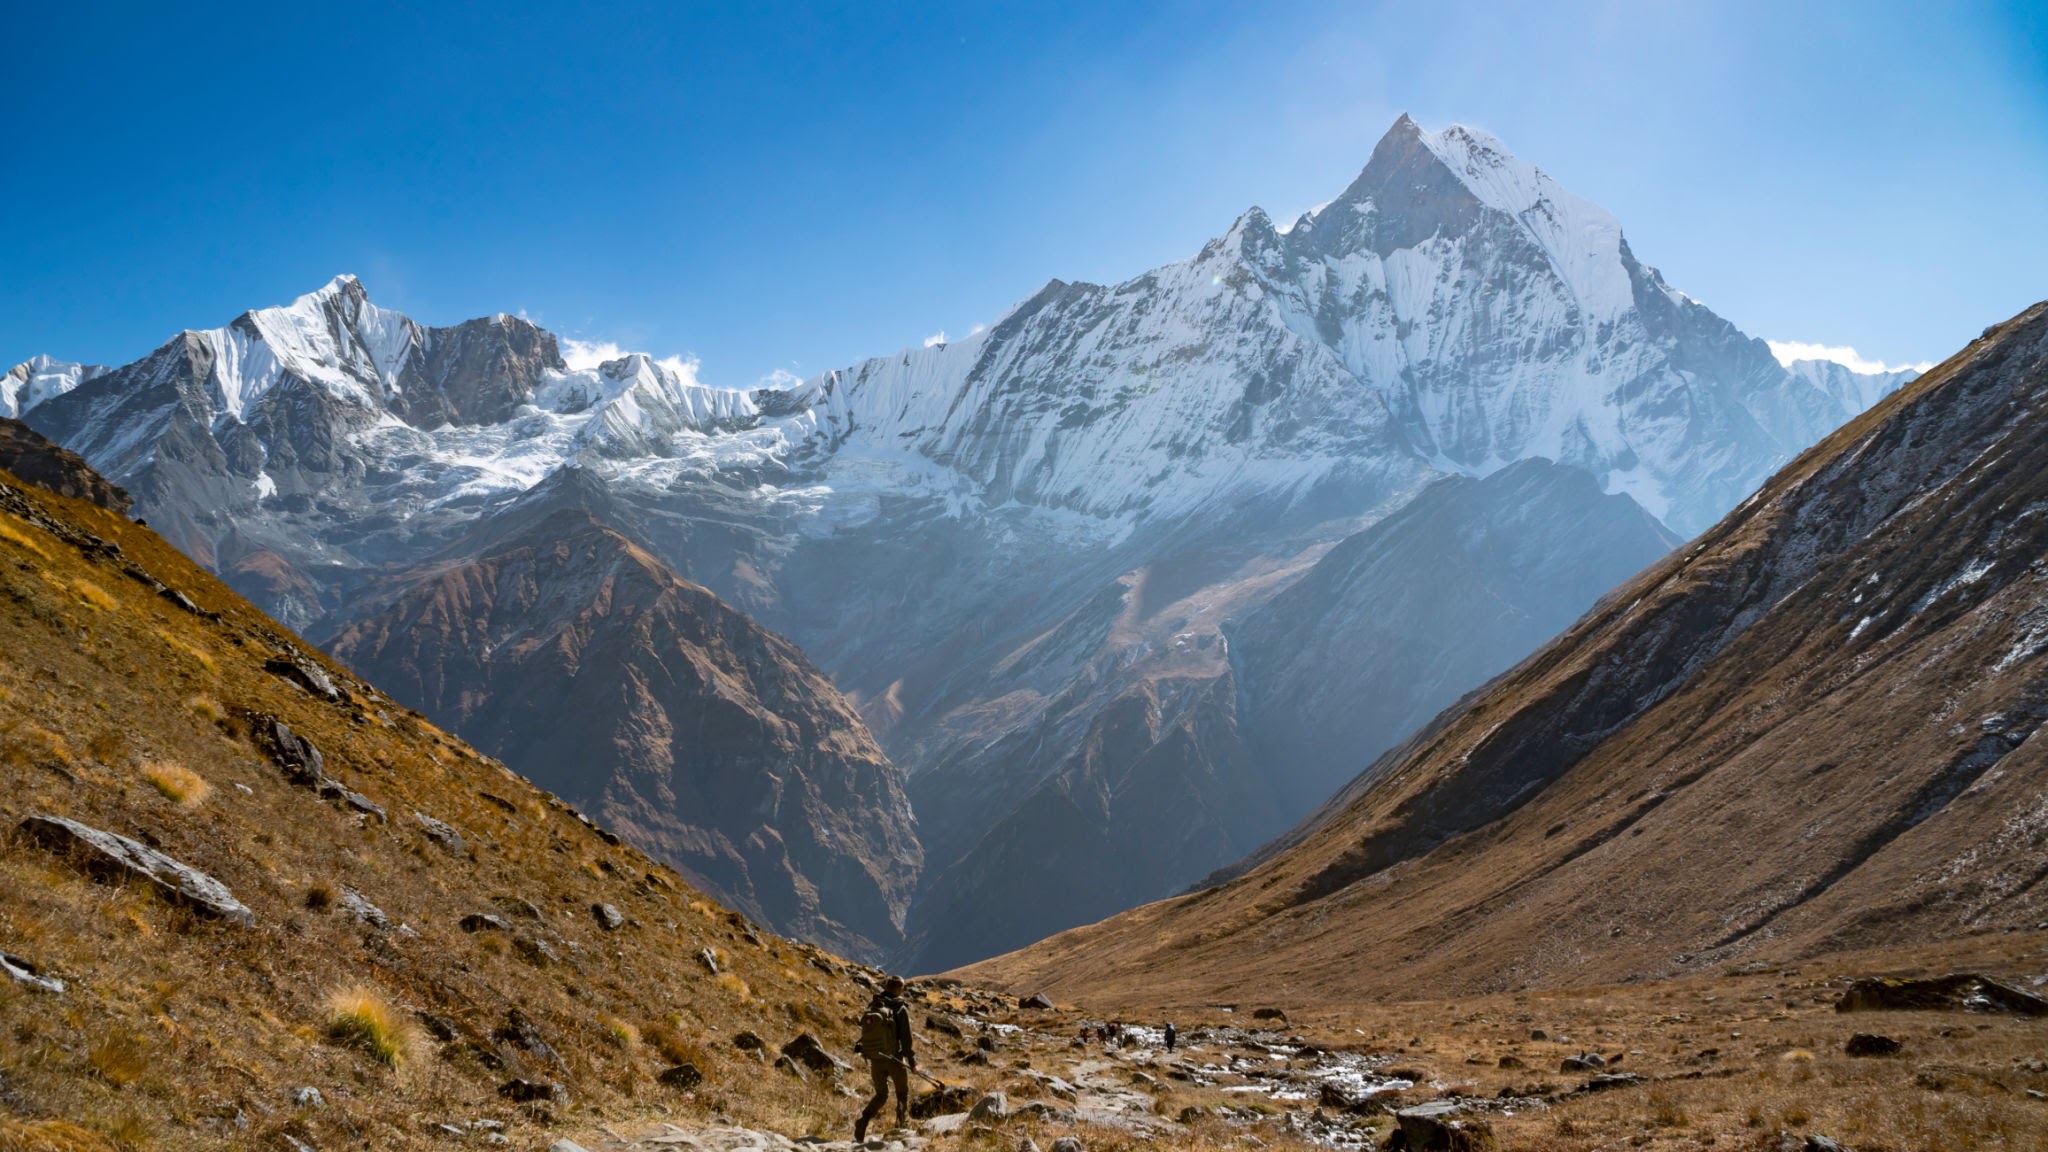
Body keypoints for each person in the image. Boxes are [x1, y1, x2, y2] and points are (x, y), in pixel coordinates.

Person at [853, 976, 915, 1142]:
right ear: (899, 989)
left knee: (881, 1095)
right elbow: (907, 1040)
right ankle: (901, 1129)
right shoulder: (900, 1008)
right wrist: (912, 1063)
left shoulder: (874, 1005)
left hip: (875, 1058)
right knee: (902, 1093)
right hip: (894, 1059)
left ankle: (863, 1121)